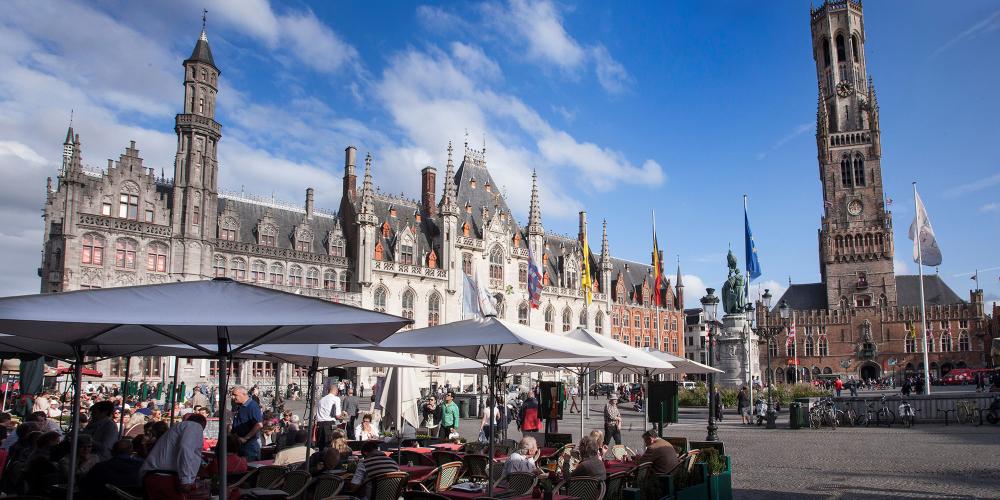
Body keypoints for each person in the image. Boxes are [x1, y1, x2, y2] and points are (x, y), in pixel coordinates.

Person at [140, 414, 208, 499]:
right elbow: (185, 448)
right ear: (203, 424)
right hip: (164, 477)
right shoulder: (194, 426)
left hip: (157, 476)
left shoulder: (179, 427)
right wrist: (186, 480)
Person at [230, 386, 264, 461]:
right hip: (239, 443)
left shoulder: (252, 406)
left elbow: (259, 424)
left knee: (250, 467)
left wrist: (246, 438)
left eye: (235, 395)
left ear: (244, 394)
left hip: (249, 445)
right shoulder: (240, 406)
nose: (233, 397)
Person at [315, 384, 343, 450]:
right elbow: (337, 415)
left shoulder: (321, 399)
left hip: (320, 425)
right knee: (330, 445)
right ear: (336, 391)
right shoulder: (336, 399)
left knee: (321, 447)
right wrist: (343, 416)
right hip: (329, 425)